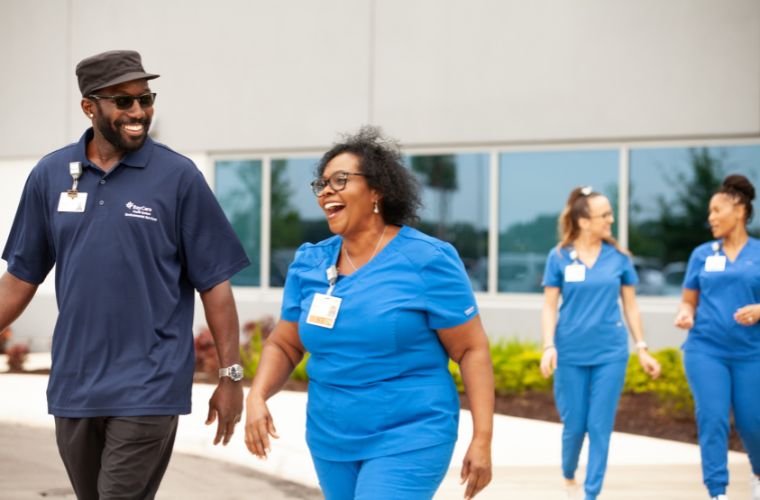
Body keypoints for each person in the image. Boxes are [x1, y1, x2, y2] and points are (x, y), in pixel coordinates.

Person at [0, 50, 250, 499]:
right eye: (123, 101)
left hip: (149, 383)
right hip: (75, 385)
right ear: (90, 107)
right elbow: (20, 278)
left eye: (145, 99)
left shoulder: (178, 177)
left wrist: (230, 376)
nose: (139, 112)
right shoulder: (50, 174)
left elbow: (215, 282)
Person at [244, 126, 494, 500]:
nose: (326, 191)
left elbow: (471, 349)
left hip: (410, 433)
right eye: (322, 184)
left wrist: (482, 439)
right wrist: (257, 396)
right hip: (330, 437)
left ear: (377, 190)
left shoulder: (427, 260)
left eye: (340, 180)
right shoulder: (310, 262)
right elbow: (285, 343)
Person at [540, 186, 661, 500]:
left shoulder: (619, 258)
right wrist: (548, 345)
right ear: (583, 220)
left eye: (610, 214)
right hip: (570, 352)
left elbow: (631, 306)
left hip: (610, 352)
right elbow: (549, 306)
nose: (611, 220)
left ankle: (591, 493)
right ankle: (569, 473)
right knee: (575, 426)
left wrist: (643, 347)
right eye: (604, 215)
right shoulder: (559, 257)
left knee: (599, 426)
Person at [674, 174, 760, 500]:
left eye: (716, 210)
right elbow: (688, 299)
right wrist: (685, 313)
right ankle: (717, 491)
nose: (710, 217)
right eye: (709, 211)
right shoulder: (702, 254)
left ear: (739, 210)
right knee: (712, 419)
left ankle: (758, 472)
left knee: (752, 424)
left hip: (751, 352)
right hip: (705, 349)